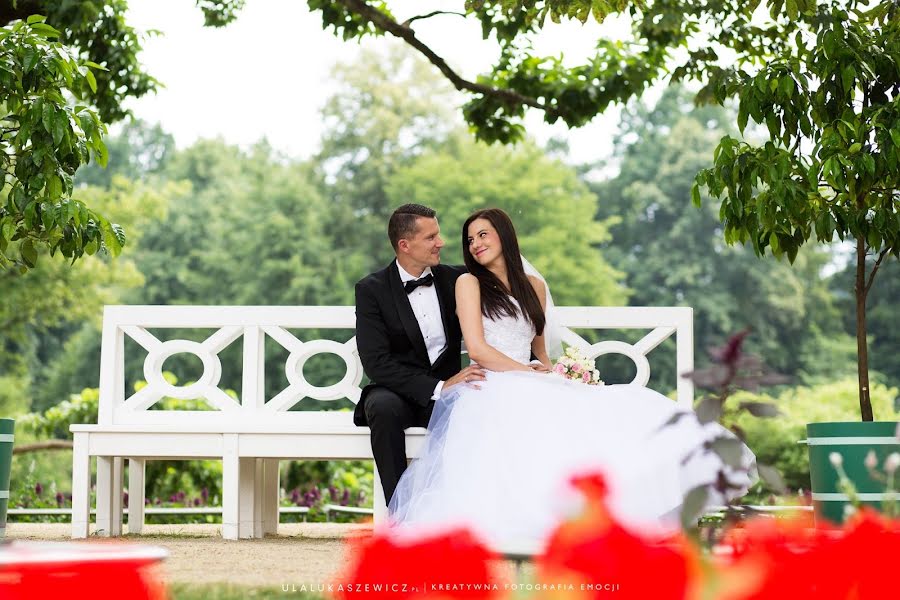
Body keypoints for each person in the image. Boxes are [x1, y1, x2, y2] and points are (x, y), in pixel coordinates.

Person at [388, 208, 755, 549]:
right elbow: (479, 350)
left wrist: (552, 374)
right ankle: (539, 517)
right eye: (470, 240)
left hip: (529, 377)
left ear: (504, 236)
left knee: (616, 408)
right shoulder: (469, 283)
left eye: (483, 234)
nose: (476, 244)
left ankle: (611, 510)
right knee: (532, 413)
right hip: (491, 383)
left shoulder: (534, 286)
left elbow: (539, 350)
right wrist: (530, 376)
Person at [354, 204, 486, 505]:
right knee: (382, 408)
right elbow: (376, 363)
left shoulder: (459, 280)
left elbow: (508, 316)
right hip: (396, 391)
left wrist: (531, 358)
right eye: (431, 237)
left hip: (449, 390)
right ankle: (399, 514)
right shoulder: (371, 290)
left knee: (472, 407)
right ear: (405, 245)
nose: (441, 243)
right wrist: (438, 388)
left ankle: (456, 510)